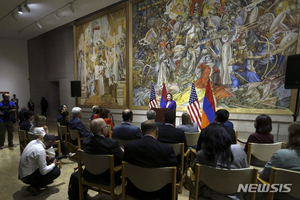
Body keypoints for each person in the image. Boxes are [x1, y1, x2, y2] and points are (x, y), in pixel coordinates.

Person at [124, 120, 182, 200]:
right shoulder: (167, 149)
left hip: (135, 190)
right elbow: (177, 176)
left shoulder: (129, 146)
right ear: (157, 132)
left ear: (142, 132)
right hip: (160, 193)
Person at [192, 123, 248, 200]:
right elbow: (245, 171)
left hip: (210, 194)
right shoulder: (239, 149)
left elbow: (194, 169)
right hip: (235, 193)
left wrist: (202, 149)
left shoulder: (203, 154)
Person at [258, 122, 300, 200]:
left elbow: (264, 175)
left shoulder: (281, 155)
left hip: (279, 195)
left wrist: (261, 172)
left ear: (291, 135)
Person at [82, 118, 124, 185]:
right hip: (107, 178)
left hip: (89, 175)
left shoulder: (85, 141)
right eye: (106, 126)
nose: (107, 128)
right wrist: (121, 151)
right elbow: (122, 158)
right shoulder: (112, 143)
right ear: (102, 129)